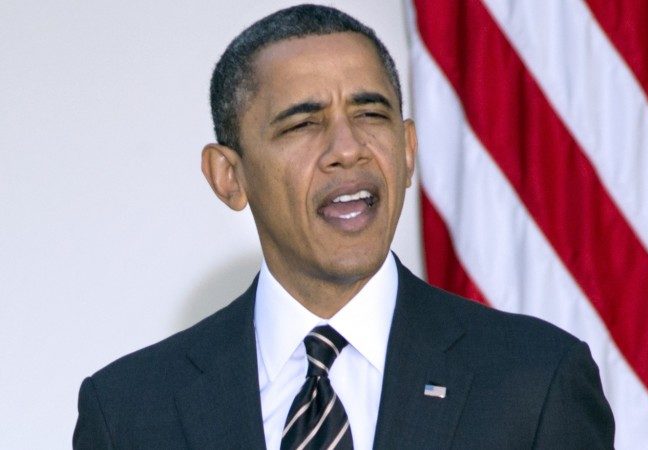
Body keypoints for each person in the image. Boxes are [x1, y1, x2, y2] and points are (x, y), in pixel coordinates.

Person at [73, 4, 614, 449]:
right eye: (304, 123)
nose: (348, 148)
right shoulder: (129, 413)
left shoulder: (536, 383)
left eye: (371, 114)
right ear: (229, 176)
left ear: (406, 152)